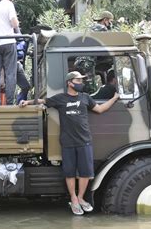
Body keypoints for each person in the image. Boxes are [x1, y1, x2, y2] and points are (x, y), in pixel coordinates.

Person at [19, 71, 119, 215]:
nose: (81, 83)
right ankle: (73, 199)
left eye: (81, 81)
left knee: (85, 173)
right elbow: (43, 101)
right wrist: (27, 102)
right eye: (78, 81)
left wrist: (114, 98)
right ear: (70, 83)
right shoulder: (60, 99)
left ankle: (80, 198)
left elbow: (100, 109)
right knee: (70, 173)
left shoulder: (85, 98)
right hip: (68, 142)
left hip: (85, 141)